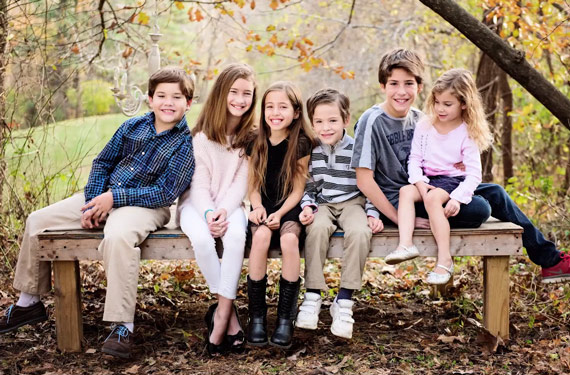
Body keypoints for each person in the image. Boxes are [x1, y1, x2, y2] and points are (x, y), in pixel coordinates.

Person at [0, 66, 196, 358]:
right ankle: (29, 303)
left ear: (188, 103)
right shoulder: (132, 126)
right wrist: (94, 202)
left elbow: (166, 192)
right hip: (103, 196)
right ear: (150, 99)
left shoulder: (185, 142)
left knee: (118, 236)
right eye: (162, 96)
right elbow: (102, 162)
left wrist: (114, 198)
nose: (169, 102)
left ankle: (122, 325)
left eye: (177, 97)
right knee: (38, 220)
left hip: (146, 207)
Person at [351, 48, 569, 284]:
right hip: (403, 203)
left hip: (435, 186)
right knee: (481, 209)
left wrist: (457, 166)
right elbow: (364, 181)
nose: (401, 91)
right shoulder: (371, 120)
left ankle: (551, 261)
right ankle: (549, 260)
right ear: (383, 86)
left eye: (409, 83)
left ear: (420, 86)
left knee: (495, 192)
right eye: (394, 83)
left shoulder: (420, 118)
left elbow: (446, 149)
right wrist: (404, 219)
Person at [177, 63, 256, 356]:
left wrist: (223, 210)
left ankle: (220, 316)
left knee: (236, 237)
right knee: (201, 239)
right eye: (234, 91)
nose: (240, 98)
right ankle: (230, 313)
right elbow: (197, 186)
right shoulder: (200, 137)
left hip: (232, 205)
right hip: (195, 206)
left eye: (247, 93)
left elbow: (241, 183)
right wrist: (210, 214)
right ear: (221, 93)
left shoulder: (250, 138)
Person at [385, 69, 491, 284]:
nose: (440, 109)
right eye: (437, 102)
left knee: (433, 199)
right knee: (405, 191)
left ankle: (444, 260)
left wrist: (457, 198)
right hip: (429, 179)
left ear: (463, 103)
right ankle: (405, 244)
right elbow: (414, 159)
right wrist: (419, 182)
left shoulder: (466, 132)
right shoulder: (425, 125)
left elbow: (474, 175)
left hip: (453, 181)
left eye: (447, 104)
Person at [296, 88, 384, 339]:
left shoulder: (358, 149)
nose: (326, 127)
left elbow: (370, 186)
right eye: (319, 122)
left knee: (359, 232)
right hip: (322, 204)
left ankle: (344, 300)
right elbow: (307, 186)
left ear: (346, 120)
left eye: (333, 120)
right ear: (311, 123)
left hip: (353, 203)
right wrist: (306, 206)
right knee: (317, 228)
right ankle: (313, 294)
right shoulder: (310, 150)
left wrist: (373, 213)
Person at [245, 81, 316, 349]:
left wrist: (281, 212)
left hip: (290, 207)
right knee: (261, 238)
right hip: (262, 206)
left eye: (283, 107)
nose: (275, 112)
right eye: (270, 106)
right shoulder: (255, 140)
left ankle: (286, 318)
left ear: (296, 112)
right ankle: (257, 317)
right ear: (262, 111)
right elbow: (252, 185)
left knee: (288, 242)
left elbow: (298, 189)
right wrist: (258, 207)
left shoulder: (301, 143)